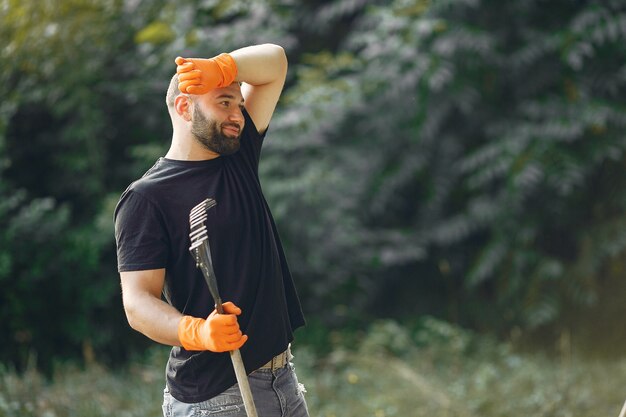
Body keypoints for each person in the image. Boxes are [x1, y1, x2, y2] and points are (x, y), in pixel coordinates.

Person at [114, 43, 309, 417]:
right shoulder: (146, 197)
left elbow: (276, 62)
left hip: (282, 380)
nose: (237, 113)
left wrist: (223, 67)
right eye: (223, 102)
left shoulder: (238, 157)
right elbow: (137, 303)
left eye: (239, 103)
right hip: (215, 398)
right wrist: (197, 331)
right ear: (185, 107)